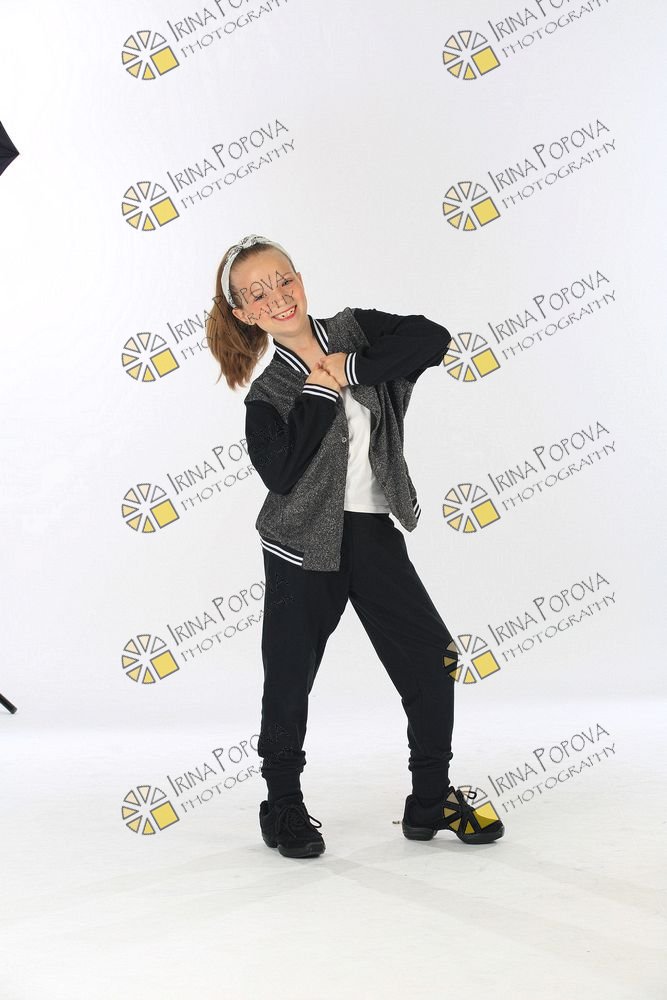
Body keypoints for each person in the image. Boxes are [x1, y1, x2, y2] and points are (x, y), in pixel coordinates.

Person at [206, 234, 505, 859]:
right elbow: (282, 474)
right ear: (244, 313)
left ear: (299, 278)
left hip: (371, 533)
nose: (277, 297)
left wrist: (350, 369)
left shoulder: (354, 331)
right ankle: (282, 805)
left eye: (284, 280)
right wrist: (319, 389)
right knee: (289, 677)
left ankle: (431, 799)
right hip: (299, 548)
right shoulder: (267, 395)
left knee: (434, 661)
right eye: (258, 294)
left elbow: (432, 339)